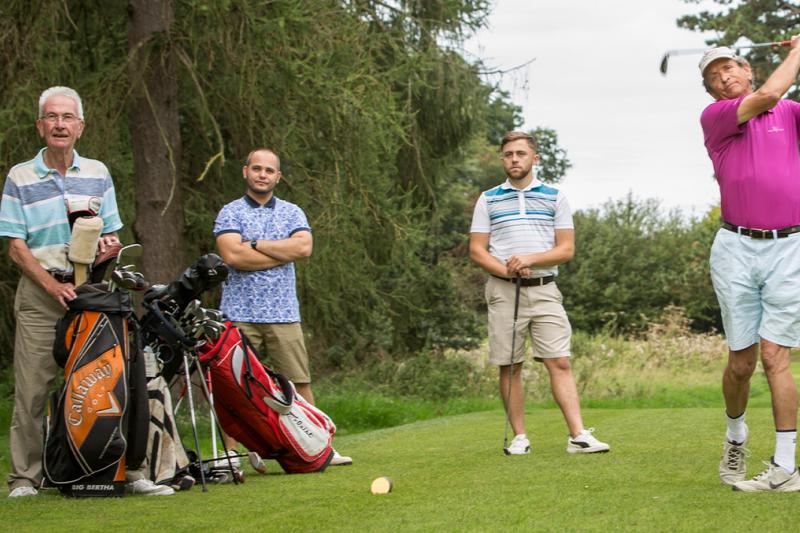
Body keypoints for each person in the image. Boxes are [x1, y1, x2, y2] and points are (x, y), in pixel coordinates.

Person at [0, 87, 170, 497]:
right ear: (41, 126)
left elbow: (109, 232)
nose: (60, 124)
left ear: (80, 126)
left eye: (68, 118)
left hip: (91, 292)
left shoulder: (97, 172)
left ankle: (126, 470)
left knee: (109, 382)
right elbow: (15, 247)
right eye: (52, 117)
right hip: (42, 294)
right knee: (33, 388)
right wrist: (51, 285)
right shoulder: (20, 177)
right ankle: (25, 477)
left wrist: (109, 248)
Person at [699, 37, 800, 492]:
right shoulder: (718, 117)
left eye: (729, 68)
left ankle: (785, 466)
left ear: (747, 69)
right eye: (713, 75)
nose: (723, 77)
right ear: (710, 90)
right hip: (736, 248)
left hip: (790, 248)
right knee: (741, 362)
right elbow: (769, 96)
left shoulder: (791, 114)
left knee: (775, 356)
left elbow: (780, 98)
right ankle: (736, 433)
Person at [469, 131, 610, 456]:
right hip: (504, 291)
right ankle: (520, 437)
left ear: (535, 158)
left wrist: (530, 259)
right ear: (502, 159)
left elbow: (566, 250)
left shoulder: (554, 196)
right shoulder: (488, 198)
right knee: (510, 364)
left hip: (545, 290)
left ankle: (577, 435)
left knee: (559, 360)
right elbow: (477, 250)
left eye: (520, 153)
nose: (514, 159)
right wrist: (507, 270)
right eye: (508, 154)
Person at [214, 147, 351, 467]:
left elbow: (303, 247)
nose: (262, 174)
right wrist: (279, 251)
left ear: (278, 176)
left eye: (269, 170)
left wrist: (256, 245)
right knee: (231, 386)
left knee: (298, 380)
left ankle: (320, 449)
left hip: (283, 311)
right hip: (238, 311)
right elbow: (232, 256)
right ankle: (230, 454)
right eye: (257, 168)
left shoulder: (292, 212)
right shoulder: (230, 212)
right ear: (245, 171)